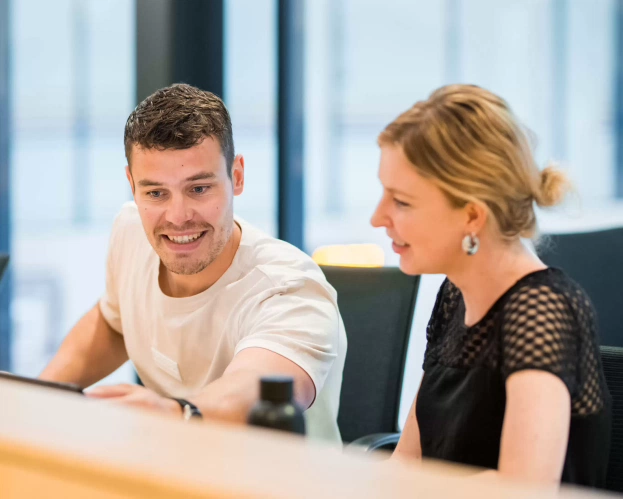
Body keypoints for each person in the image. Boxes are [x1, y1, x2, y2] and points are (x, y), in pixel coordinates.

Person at [40, 83, 347, 442]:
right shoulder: (131, 234)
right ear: (131, 184)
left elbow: (260, 394)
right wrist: (36, 397)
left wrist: (176, 414)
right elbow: (114, 324)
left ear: (237, 176)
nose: (178, 216)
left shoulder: (290, 287)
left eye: (199, 188)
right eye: (155, 193)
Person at [370, 85, 611, 486]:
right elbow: (407, 461)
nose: (378, 218)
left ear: (472, 215)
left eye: (402, 201)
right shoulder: (456, 293)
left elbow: (523, 489)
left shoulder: (543, 309)